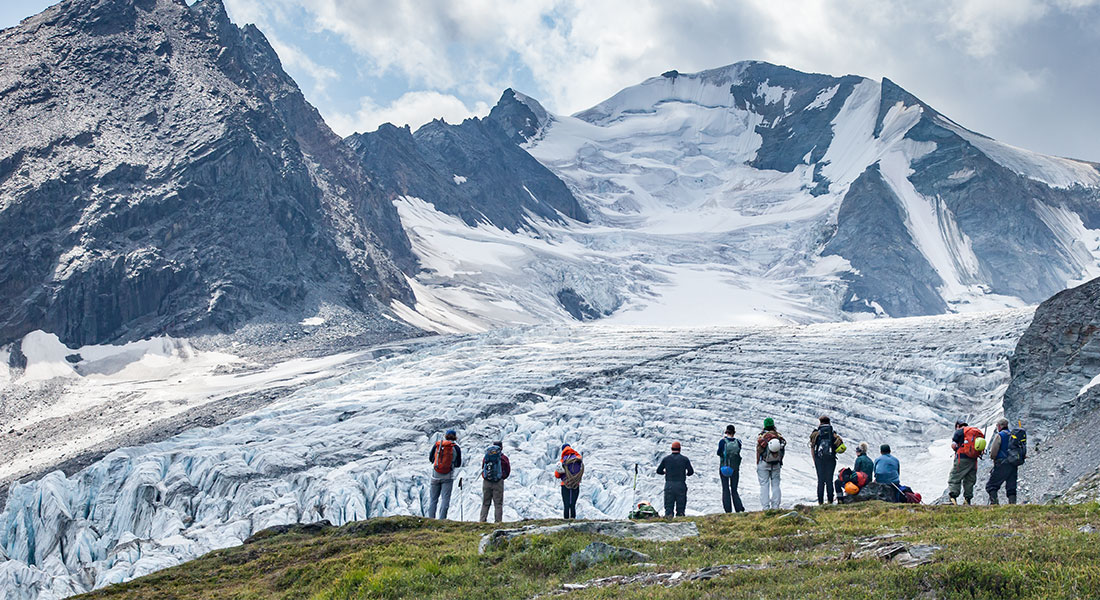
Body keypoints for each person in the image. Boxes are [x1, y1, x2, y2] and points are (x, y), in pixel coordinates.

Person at [948, 418, 984, 505]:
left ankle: (953, 498)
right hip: (973, 459)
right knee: (969, 480)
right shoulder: (975, 432)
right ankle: (967, 499)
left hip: (962, 458)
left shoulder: (959, 432)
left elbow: (953, 445)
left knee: (955, 476)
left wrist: (957, 449)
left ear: (957, 426)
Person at [809, 416, 844, 505]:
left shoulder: (815, 434)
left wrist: (815, 460)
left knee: (820, 481)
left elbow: (812, 447)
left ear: (820, 422)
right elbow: (839, 447)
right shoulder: (833, 434)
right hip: (831, 460)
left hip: (819, 460)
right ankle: (830, 501)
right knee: (829, 480)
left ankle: (820, 502)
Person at [428, 430, 462, 519]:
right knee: (445, 499)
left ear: (446, 436)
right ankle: (442, 519)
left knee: (433, 499)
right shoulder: (456, 448)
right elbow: (458, 464)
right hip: (448, 476)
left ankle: (431, 519)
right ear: (455, 437)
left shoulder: (437, 445)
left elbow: (431, 459)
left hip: (435, 476)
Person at [657, 441, 695, 517]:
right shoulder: (684, 459)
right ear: (680, 449)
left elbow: (658, 471)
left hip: (669, 485)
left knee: (668, 508)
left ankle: (669, 521)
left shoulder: (666, 459)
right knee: (681, 509)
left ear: (671, 449)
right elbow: (691, 472)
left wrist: (665, 472)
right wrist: (686, 474)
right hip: (681, 484)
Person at [985, 419, 1018, 505]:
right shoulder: (1014, 435)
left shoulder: (1000, 435)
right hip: (1013, 463)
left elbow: (994, 451)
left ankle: (995, 504)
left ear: (999, 426)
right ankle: (1012, 504)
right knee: (1011, 486)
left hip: (1002, 463)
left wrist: (993, 458)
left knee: (991, 485)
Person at [756, 418, 786, 510]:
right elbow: (782, 451)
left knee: (764, 485)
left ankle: (765, 507)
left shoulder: (762, 436)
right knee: (776, 485)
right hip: (776, 464)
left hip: (764, 463)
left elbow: (758, 451)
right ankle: (776, 506)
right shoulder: (778, 436)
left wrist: (758, 462)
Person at [480, 440, 510, 522]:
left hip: (487, 481)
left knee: (485, 503)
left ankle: (482, 520)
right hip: (498, 482)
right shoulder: (503, 458)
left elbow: (483, 467)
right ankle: (498, 521)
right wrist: (501, 477)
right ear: (501, 447)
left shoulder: (487, 456)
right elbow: (507, 470)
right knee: (498, 504)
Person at [717, 425, 745, 513]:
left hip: (724, 468)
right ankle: (739, 508)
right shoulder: (738, 442)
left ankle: (728, 510)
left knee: (725, 488)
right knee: (734, 489)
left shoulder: (722, 442)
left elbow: (719, 453)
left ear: (726, 432)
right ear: (734, 432)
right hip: (735, 468)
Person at [554, 444, 584, 519]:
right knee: (573, 504)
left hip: (565, 484)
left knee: (566, 505)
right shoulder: (578, 459)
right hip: (575, 484)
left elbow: (557, 475)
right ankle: (573, 519)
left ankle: (566, 521)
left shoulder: (563, 460)